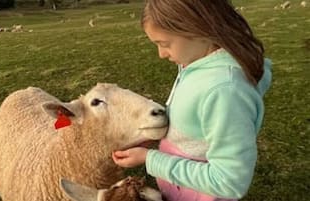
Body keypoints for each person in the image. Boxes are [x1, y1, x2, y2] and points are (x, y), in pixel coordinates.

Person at [111, 0, 272, 201]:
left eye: (164, 44)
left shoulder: (224, 91)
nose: (161, 54)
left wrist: (150, 159)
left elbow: (229, 181)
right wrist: (157, 138)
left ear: (198, 29)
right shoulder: (197, 64)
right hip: (182, 189)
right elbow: (195, 125)